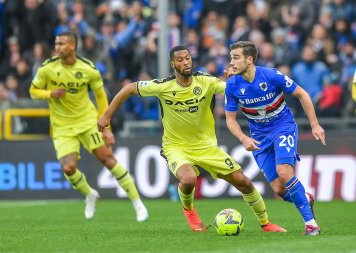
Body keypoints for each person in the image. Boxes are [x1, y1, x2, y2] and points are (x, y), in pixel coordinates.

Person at [98, 45, 285, 233]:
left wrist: (237, 79)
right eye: (180, 59)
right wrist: (106, 116)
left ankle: (266, 224)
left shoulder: (206, 81)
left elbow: (233, 89)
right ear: (173, 64)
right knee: (188, 179)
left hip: (206, 146)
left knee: (243, 181)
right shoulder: (163, 86)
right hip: (176, 146)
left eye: (187, 58)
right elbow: (129, 88)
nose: (186, 62)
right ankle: (189, 211)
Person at [29, 32, 148, 221]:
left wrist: (107, 127)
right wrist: (50, 94)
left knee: (108, 160)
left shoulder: (89, 69)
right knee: (68, 168)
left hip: (87, 122)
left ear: (73, 46)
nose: (57, 47)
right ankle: (90, 194)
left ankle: (138, 203)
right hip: (61, 127)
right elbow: (33, 91)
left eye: (62, 43)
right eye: (56, 43)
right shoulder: (47, 68)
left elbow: (101, 97)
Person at [224, 41, 325, 236]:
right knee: (279, 189)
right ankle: (305, 197)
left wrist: (314, 124)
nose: (231, 62)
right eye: (231, 58)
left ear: (250, 59)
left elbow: (302, 94)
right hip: (259, 138)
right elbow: (230, 120)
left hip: (283, 127)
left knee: (284, 171)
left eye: (236, 57)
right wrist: (243, 138)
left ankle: (311, 224)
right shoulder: (232, 85)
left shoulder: (271, 75)